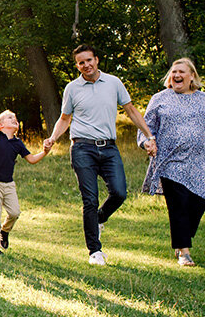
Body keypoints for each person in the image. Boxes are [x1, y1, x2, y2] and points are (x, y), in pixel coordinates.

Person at [43, 44, 157, 266]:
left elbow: (131, 110)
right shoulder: (72, 88)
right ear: (77, 66)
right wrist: (53, 138)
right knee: (90, 199)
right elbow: (65, 118)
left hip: (109, 148)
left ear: (96, 59)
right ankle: (95, 251)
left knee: (120, 192)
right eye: (81, 63)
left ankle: (99, 219)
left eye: (89, 60)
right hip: (82, 148)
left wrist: (149, 135)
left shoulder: (113, 83)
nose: (86, 65)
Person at [138, 58, 205, 267]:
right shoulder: (160, 99)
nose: (177, 75)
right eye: (174, 71)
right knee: (178, 206)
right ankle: (184, 251)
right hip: (169, 162)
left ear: (192, 76)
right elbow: (145, 127)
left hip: (198, 163)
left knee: (198, 204)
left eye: (182, 72)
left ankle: (182, 237)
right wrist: (146, 142)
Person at [0, 110, 49, 256]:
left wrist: (45, 151)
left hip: (9, 184)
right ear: (0, 124)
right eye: (10, 118)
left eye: (15, 118)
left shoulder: (18, 143)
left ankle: (4, 231)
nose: (14, 119)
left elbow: (32, 160)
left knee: (15, 212)